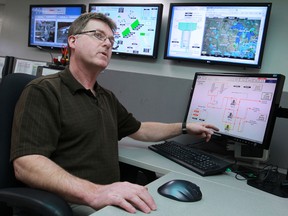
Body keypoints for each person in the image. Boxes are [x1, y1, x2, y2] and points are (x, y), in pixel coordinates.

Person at [10, 12, 218, 216]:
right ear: (73, 41)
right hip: (70, 201)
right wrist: (95, 192)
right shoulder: (43, 90)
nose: (108, 44)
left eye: (111, 39)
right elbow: (27, 164)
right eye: (98, 36)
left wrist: (183, 127)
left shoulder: (104, 96)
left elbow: (140, 130)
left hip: (108, 195)